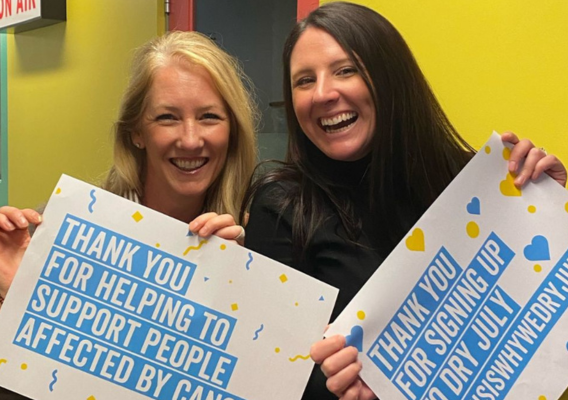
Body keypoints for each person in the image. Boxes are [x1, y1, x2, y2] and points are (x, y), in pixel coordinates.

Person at [242, 2, 567, 400]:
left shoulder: (477, 183)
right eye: (304, 81)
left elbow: (545, 335)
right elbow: (272, 381)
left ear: (390, 78)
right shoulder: (281, 207)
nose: (323, 93)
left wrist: (554, 214)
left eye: (346, 70)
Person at [0, 30, 258, 398]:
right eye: (168, 117)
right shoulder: (61, 230)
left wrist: (239, 284)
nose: (190, 139)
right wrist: (14, 305)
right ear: (137, 131)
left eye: (210, 117)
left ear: (232, 130)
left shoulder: (256, 246)